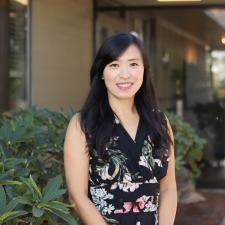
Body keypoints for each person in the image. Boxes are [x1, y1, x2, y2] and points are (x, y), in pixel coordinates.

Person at [63, 32, 177, 225]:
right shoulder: (82, 124)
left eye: (133, 64)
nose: (125, 74)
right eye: (114, 65)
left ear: (144, 70)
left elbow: (168, 188)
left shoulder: (160, 121)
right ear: (101, 72)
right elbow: (77, 197)